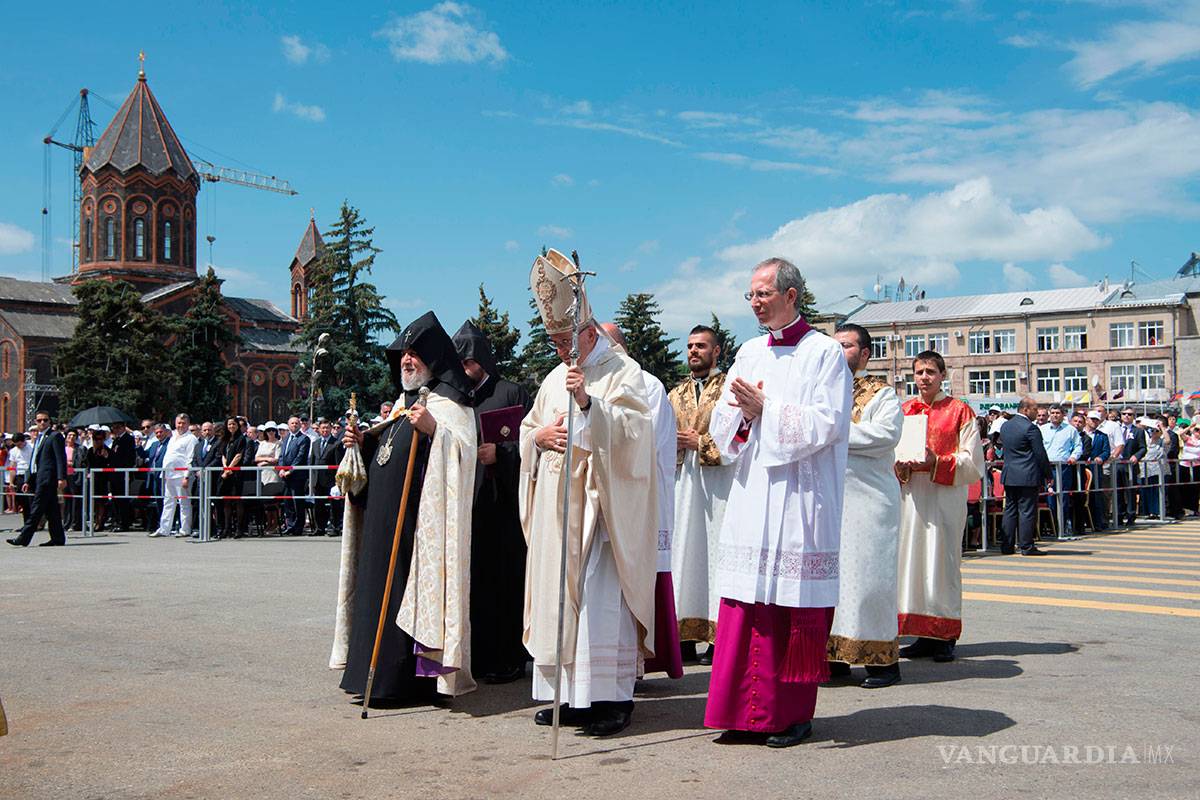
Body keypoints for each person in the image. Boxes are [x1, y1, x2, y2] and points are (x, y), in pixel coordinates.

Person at [703, 257, 851, 748]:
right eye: (750, 295)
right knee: (746, 605)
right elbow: (724, 429)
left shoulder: (825, 353)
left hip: (798, 496)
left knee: (790, 607)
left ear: (791, 295)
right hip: (752, 495)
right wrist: (744, 418)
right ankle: (741, 714)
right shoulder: (747, 353)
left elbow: (829, 423)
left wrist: (769, 410)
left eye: (763, 293)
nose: (755, 303)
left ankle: (790, 715)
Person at [520, 249, 657, 737]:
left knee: (600, 604)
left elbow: (637, 434)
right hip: (558, 510)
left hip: (602, 512)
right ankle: (569, 697)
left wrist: (588, 404)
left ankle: (612, 699)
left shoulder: (623, 372)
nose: (558, 347)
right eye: (552, 338)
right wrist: (537, 437)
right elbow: (530, 426)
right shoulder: (555, 375)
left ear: (589, 331)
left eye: (564, 337)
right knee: (559, 600)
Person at [332, 311, 478, 704]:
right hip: (381, 522)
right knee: (375, 590)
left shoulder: (450, 408)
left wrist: (434, 431)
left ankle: (402, 681)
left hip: (416, 530)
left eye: (414, 354)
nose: (406, 361)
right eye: (402, 355)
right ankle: (365, 673)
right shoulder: (400, 407)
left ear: (433, 360)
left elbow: (464, 458)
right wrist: (361, 443)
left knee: (402, 593)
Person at [599, 321, 683, 682]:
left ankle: (632, 666)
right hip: (602, 501)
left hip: (636, 500)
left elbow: (641, 444)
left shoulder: (647, 385)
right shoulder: (598, 382)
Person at [452, 319, 534, 684]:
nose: (463, 370)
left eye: (467, 363)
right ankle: (480, 655)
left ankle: (511, 657)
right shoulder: (457, 400)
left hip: (506, 506)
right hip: (470, 503)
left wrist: (500, 453)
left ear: (481, 360)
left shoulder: (511, 392)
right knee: (476, 581)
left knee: (506, 579)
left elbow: (532, 444)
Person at [826, 324, 904, 689]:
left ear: (865, 354)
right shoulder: (823, 390)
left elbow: (885, 435)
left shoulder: (882, 394)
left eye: (846, 346)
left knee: (871, 580)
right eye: (834, 345)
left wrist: (834, 430)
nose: (838, 351)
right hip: (831, 501)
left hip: (870, 500)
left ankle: (882, 661)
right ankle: (836, 657)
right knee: (832, 581)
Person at [895, 350, 984, 663]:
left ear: (943, 375)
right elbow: (891, 454)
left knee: (942, 564)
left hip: (944, 498)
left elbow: (973, 463)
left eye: (930, 372)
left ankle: (945, 634)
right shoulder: (905, 410)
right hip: (911, 498)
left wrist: (937, 462)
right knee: (912, 563)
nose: (923, 378)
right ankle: (922, 632)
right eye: (918, 372)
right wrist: (899, 465)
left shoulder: (960, 411)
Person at [668, 324, 735, 666]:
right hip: (683, 484)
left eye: (702, 346)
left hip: (719, 484)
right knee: (684, 556)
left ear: (717, 351)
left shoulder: (730, 389)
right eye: (691, 346)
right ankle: (683, 635)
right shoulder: (674, 394)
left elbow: (742, 434)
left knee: (715, 556)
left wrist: (702, 443)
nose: (694, 351)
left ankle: (717, 636)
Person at [999, 397, 1052, 556]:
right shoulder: (1031, 428)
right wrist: (1048, 474)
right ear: (1025, 409)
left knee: (1010, 510)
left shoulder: (1006, 426)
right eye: (1035, 409)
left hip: (1010, 474)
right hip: (1027, 475)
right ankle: (1027, 546)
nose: (1037, 413)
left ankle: (1007, 546)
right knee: (1027, 511)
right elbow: (1040, 453)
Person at [6, 412, 67, 547]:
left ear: (50, 422)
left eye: (45, 420)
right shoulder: (38, 438)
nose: (42, 423)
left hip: (48, 479)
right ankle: (58, 538)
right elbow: (34, 461)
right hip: (39, 477)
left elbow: (60, 458)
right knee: (52, 511)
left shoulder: (54, 436)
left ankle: (24, 538)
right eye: (39, 420)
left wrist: (61, 477)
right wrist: (29, 480)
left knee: (36, 509)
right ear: (35, 422)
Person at [153, 415, 199, 539]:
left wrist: (186, 476)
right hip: (169, 475)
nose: (180, 425)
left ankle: (185, 529)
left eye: (183, 423)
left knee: (184, 503)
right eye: (178, 423)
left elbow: (190, 458)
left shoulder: (191, 438)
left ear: (188, 424)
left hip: (181, 475)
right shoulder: (173, 437)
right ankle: (164, 529)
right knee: (168, 502)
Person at [1040, 403, 1082, 535]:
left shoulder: (1070, 430)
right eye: (1052, 413)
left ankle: (1061, 527)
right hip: (1047, 468)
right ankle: (1051, 526)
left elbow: (1078, 446)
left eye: (1058, 413)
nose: (1055, 415)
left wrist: (1074, 456)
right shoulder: (1042, 429)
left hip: (1063, 468)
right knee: (1049, 497)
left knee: (1062, 498)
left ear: (1063, 415)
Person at [277, 416, 310, 536]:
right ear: (288, 425)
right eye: (292, 423)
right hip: (285, 476)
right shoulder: (285, 438)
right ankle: (290, 525)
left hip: (297, 476)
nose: (294, 425)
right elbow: (282, 456)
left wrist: (290, 470)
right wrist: (281, 469)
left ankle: (298, 527)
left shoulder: (304, 439)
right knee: (287, 502)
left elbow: (300, 457)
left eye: (296, 423)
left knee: (298, 502)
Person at [1115, 408, 1147, 526]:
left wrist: (1136, 456)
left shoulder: (1138, 431)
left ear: (1133, 416)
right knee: (1117, 491)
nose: (1126, 416)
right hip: (1117, 464)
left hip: (1130, 464)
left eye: (1130, 414)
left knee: (1130, 491)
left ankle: (1131, 515)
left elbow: (1143, 448)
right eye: (1124, 414)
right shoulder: (1116, 428)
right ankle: (1118, 515)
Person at [216, 417, 246, 539]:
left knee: (238, 500)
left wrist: (230, 469)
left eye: (234, 424)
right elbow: (223, 454)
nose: (231, 426)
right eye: (229, 424)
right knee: (226, 501)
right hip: (226, 473)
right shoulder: (225, 439)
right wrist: (225, 468)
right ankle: (227, 528)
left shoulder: (241, 438)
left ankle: (239, 528)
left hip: (236, 473)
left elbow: (239, 455)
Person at [309, 419, 339, 536]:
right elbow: (312, 463)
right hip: (318, 479)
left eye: (327, 427)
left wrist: (337, 482)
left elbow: (338, 463)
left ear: (331, 429)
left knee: (333, 506)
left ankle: (334, 527)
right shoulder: (315, 443)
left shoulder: (336, 443)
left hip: (330, 479)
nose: (325, 430)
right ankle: (319, 528)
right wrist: (311, 480)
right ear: (319, 429)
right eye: (323, 428)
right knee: (318, 505)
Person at [255, 423, 284, 534]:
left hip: (273, 474)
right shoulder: (262, 443)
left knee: (274, 500)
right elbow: (256, 458)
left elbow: (276, 459)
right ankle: (268, 523)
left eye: (272, 430)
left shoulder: (278, 443)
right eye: (268, 430)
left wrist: (264, 461)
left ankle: (276, 523)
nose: (270, 432)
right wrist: (267, 459)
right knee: (265, 501)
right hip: (263, 474)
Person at [1085, 410, 1111, 530]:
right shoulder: (1079, 434)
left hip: (1095, 470)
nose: (1094, 422)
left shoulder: (1102, 436)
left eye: (1097, 420)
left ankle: (1097, 523)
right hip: (1081, 468)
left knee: (1097, 496)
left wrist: (1101, 457)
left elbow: (1106, 451)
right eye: (1092, 419)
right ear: (1087, 419)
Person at [109, 421, 137, 531]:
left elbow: (129, 457)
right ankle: (117, 520)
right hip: (115, 474)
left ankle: (124, 522)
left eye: (117, 427)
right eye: (113, 428)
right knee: (116, 499)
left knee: (122, 499)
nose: (115, 430)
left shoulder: (128, 439)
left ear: (123, 428)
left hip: (123, 473)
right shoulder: (116, 440)